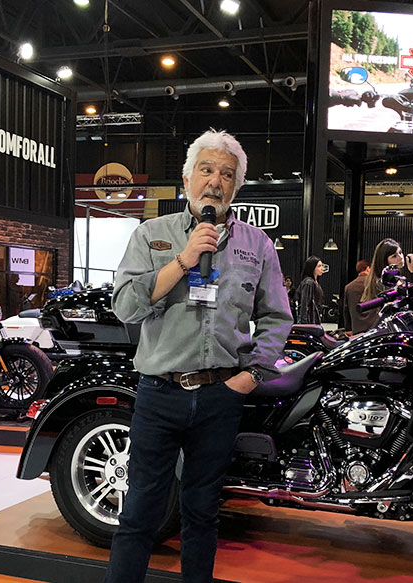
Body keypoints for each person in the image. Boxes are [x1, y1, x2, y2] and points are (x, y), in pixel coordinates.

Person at [107, 129, 293, 582]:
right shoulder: (151, 234)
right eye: (206, 170)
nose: (215, 181)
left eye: (227, 175)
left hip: (220, 397)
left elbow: (276, 318)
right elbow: (125, 306)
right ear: (187, 177)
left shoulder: (258, 245)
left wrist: (249, 377)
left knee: (203, 512)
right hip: (160, 393)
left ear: (237, 187)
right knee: (140, 512)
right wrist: (184, 260)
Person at [343, 259, 372, 335]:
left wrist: (348, 329)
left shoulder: (348, 287)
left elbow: (346, 310)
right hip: (373, 328)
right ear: (368, 268)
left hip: (357, 328)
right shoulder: (375, 284)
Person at [296, 256, 325, 325]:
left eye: (322, 266)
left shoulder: (313, 282)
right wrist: (304, 323)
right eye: (319, 266)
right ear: (312, 268)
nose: (322, 268)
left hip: (313, 319)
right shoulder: (308, 282)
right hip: (310, 320)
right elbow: (304, 303)